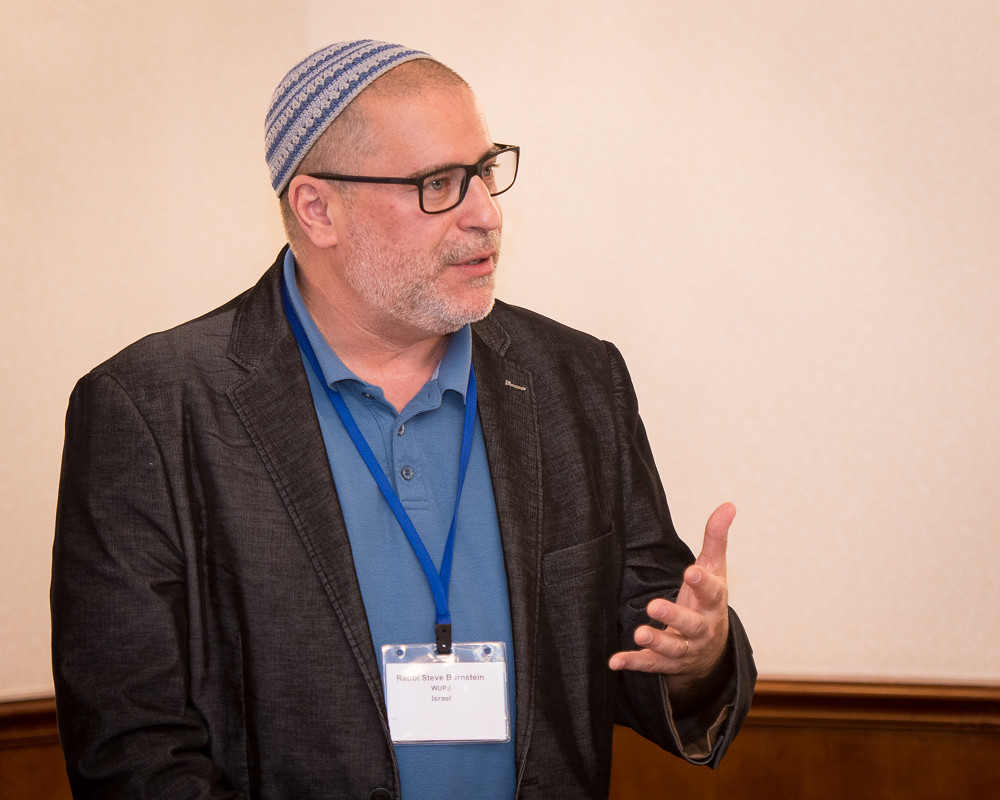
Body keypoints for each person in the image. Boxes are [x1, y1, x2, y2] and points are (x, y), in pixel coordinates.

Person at [51, 39, 756, 800]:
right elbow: (131, 751)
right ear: (317, 208)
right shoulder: (151, 408)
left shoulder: (576, 381)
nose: (485, 215)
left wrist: (699, 658)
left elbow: (645, 639)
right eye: (439, 184)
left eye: (484, 172)